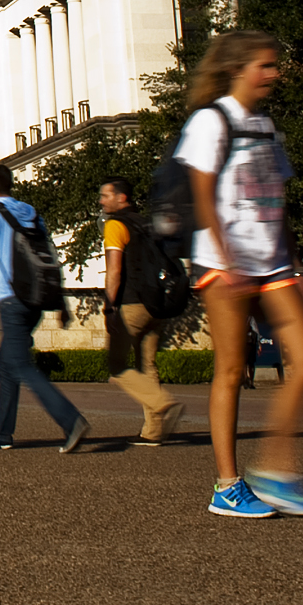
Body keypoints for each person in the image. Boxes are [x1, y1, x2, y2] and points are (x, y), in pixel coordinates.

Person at [179, 30, 303, 518]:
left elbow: (278, 199)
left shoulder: (264, 124)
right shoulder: (211, 120)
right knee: (229, 370)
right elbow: (202, 195)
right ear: (237, 69)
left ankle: (278, 471)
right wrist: (224, 257)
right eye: (265, 65)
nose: (274, 73)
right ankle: (227, 484)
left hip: (272, 262)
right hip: (225, 263)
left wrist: (296, 263)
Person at [0, 162, 87, 453]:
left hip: (12, 298)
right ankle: (2, 433)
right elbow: (48, 255)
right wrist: (60, 300)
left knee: (21, 364)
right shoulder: (31, 212)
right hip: (37, 298)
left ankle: (71, 419)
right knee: (6, 365)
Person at [99, 177, 181, 445]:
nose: (101, 201)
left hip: (132, 303)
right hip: (157, 304)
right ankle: (153, 432)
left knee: (117, 365)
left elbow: (114, 270)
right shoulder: (147, 223)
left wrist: (109, 305)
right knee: (147, 365)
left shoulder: (115, 225)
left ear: (121, 197)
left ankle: (162, 402)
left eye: (105, 196)